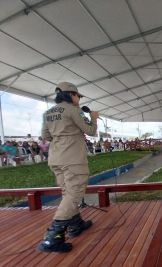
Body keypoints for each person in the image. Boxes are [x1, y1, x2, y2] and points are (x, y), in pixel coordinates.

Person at [37, 82, 99, 253]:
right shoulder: (73, 110)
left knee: (67, 192)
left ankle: (75, 223)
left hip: (56, 157)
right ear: (71, 95)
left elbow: (45, 136)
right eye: (78, 96)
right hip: (72, 157)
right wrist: (93, 117)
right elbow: (90, 130)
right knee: (74, 193)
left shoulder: (47, 113)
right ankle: (52, 237)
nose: (78, 99)